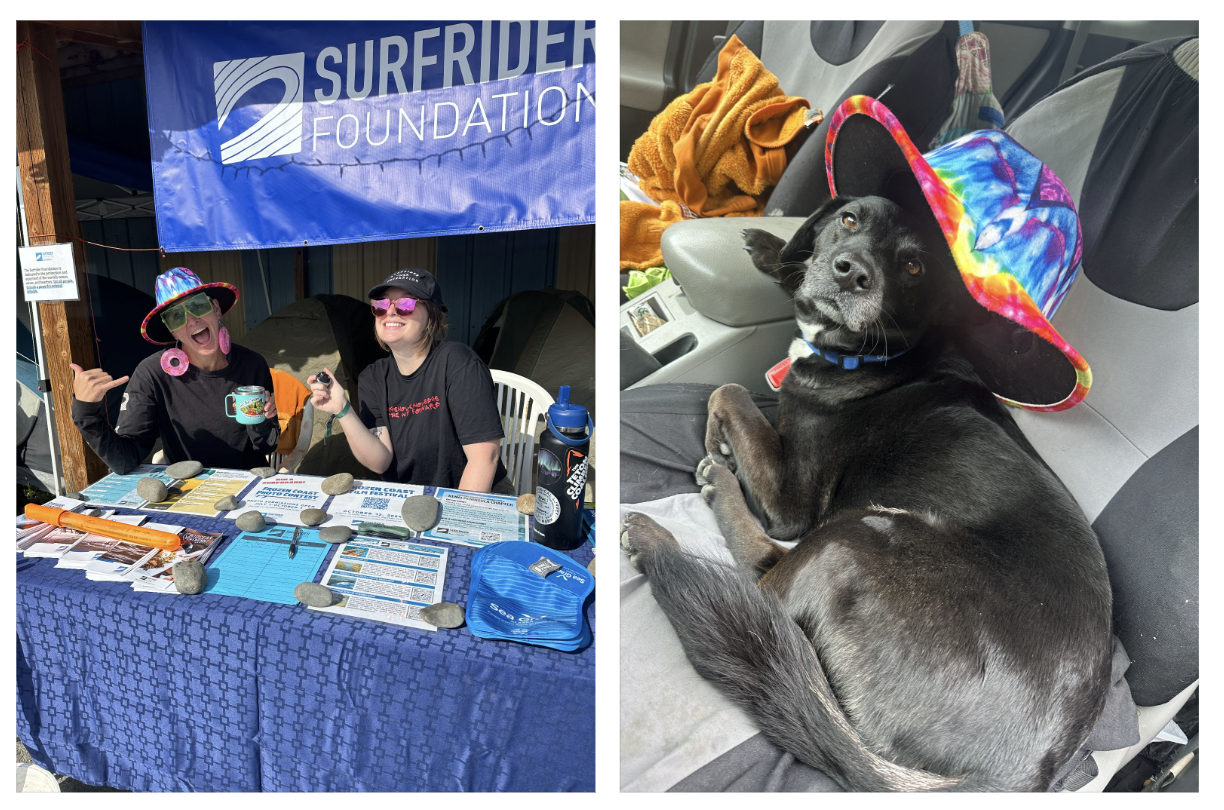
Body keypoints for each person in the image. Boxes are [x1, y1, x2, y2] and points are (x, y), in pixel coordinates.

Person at [308, 269, 510, 492]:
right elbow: (380, 461)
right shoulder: (372, 377)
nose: (390, 312)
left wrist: (455, 519)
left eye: (405, 304)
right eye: (381, 305)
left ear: (432, 315)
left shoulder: (458, 363)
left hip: (473, 495)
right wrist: (343, 409)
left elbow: (484, 459)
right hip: (409, 498)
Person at [71, 267, 280, 474]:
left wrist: (262, 422)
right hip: (187, 487)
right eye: (176, 316)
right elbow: (125, 461)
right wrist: (86, 412)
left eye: (198, 306)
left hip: (248, 485)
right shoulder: (152, 374)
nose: (191, 320)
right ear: (171, 330)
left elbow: (267, 446)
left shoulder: (252, 364)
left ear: (215, 308)